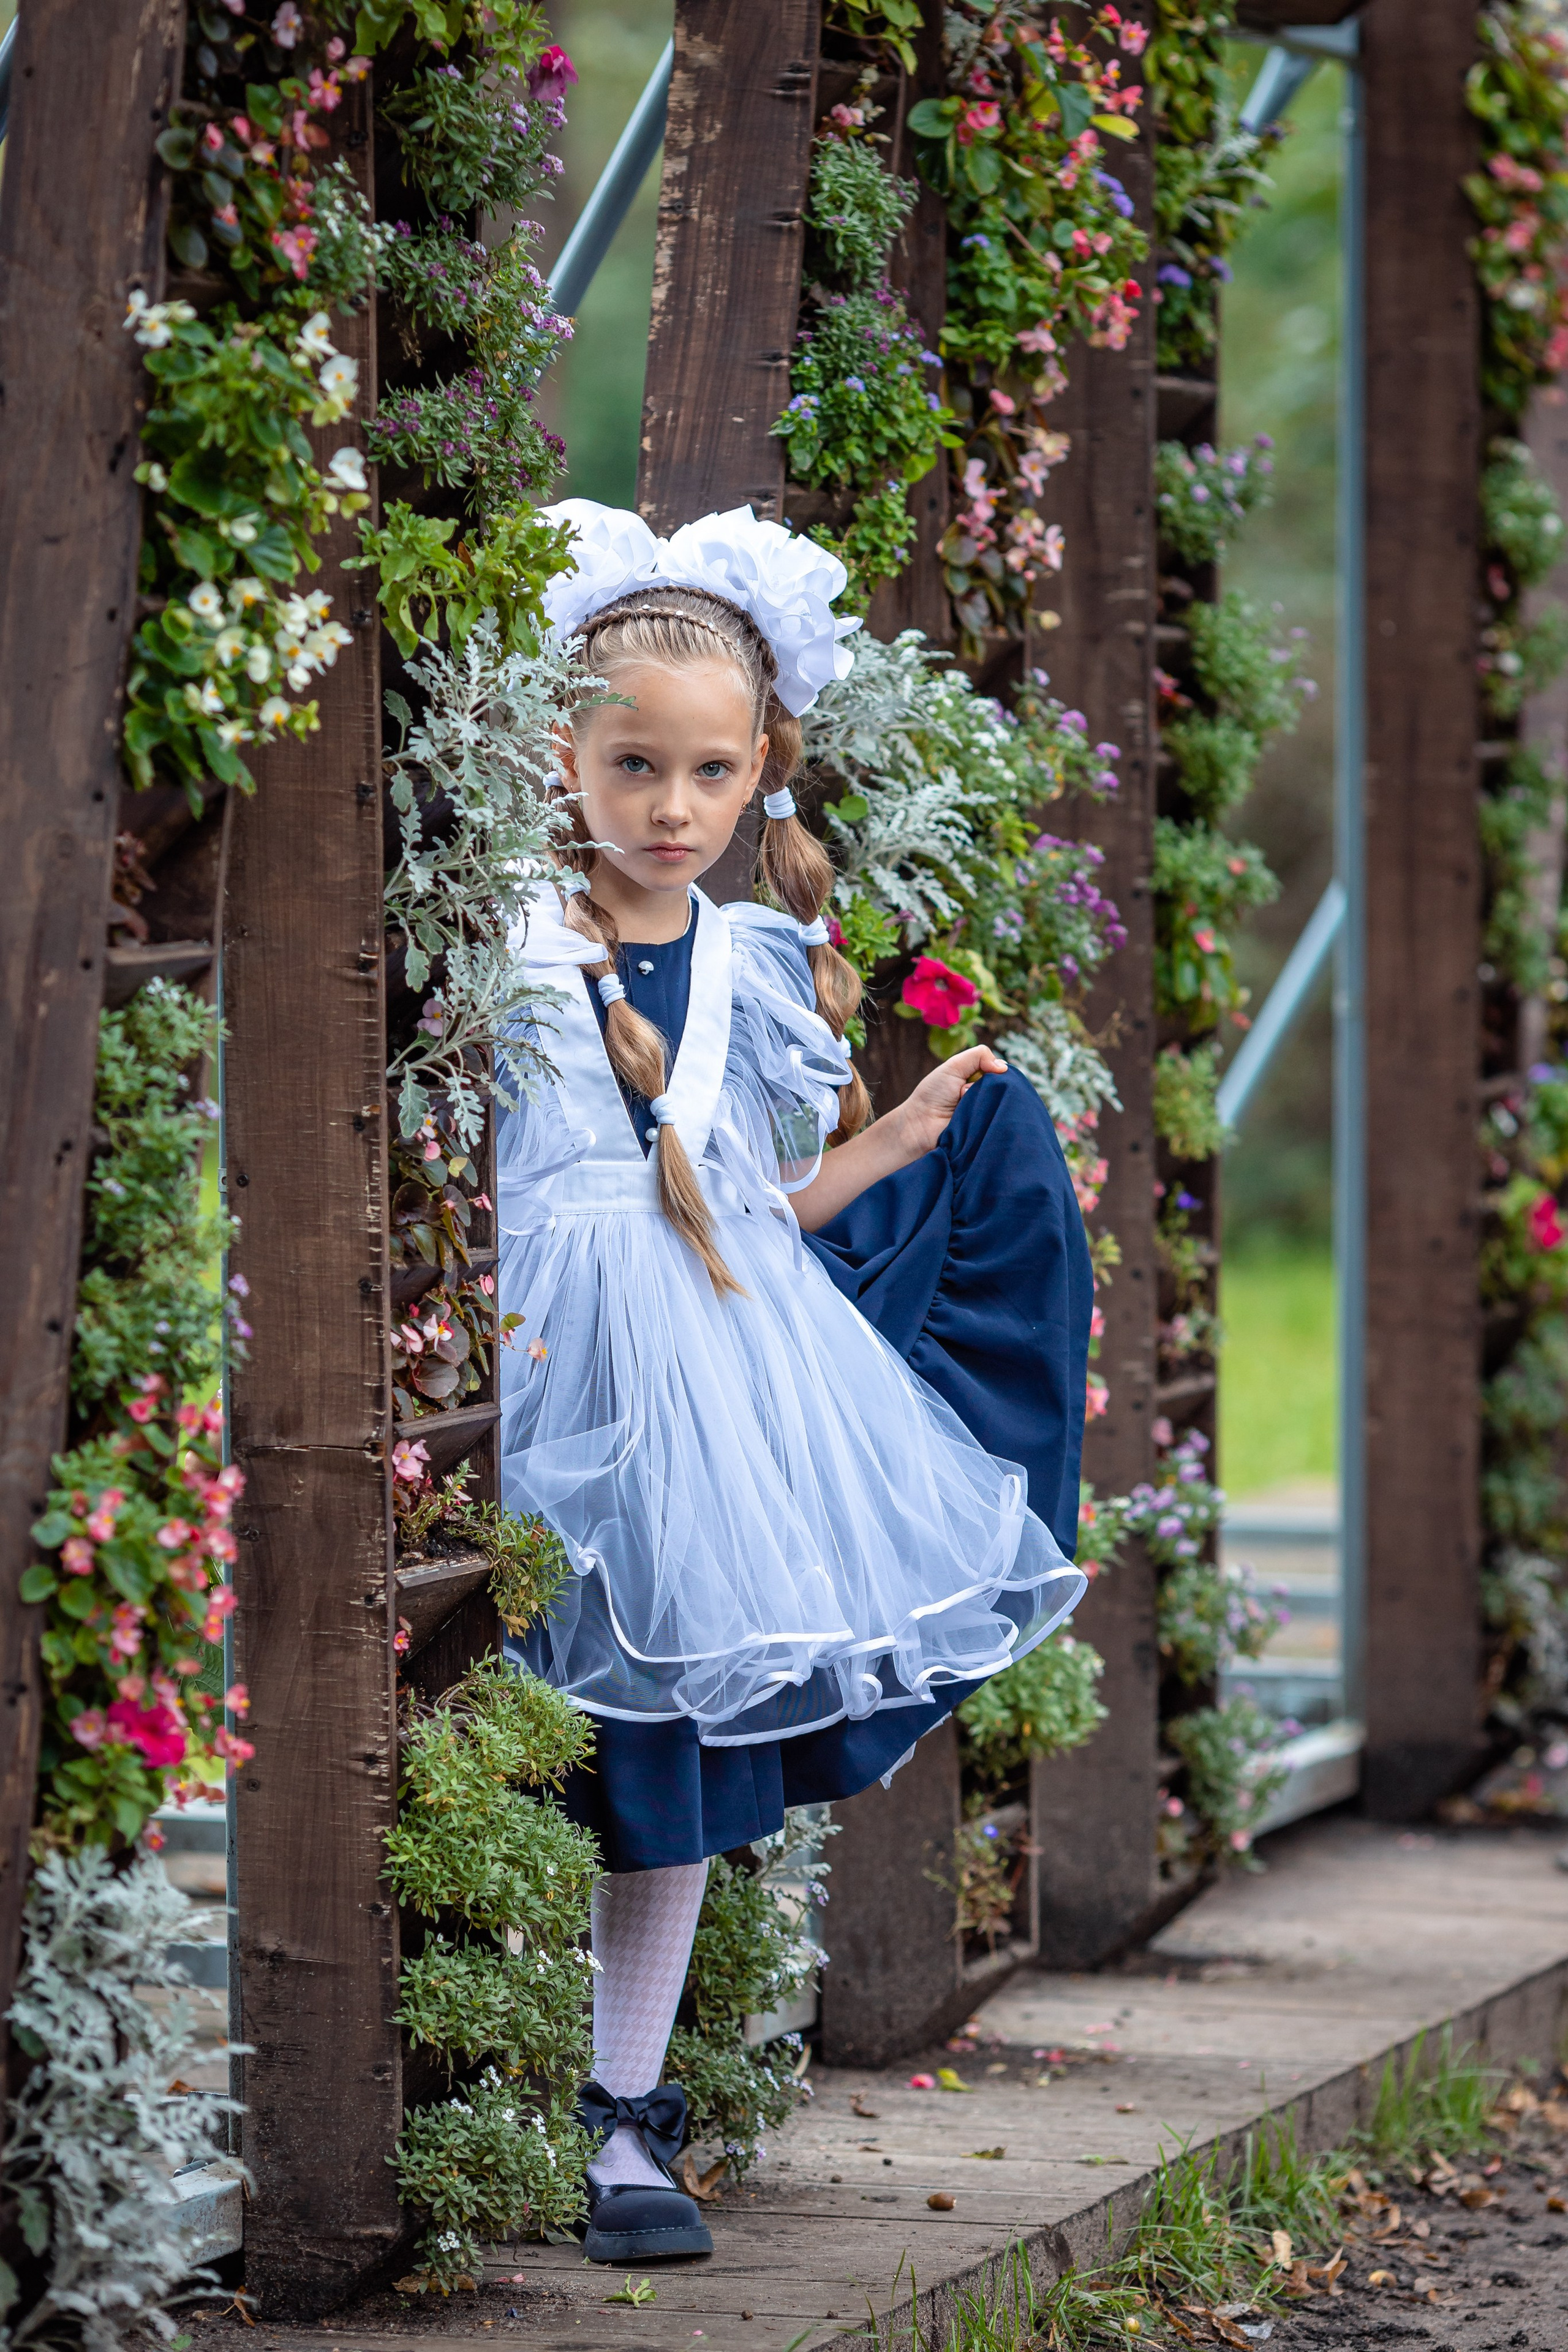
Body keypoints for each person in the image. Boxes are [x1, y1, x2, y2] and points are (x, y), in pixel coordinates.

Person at [496, 500, 1093, 2264]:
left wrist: (905, 1129)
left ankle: (623, 2117)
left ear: (764, 774)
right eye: (633, 766)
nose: (671, 810)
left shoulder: (757, 966)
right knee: (502, 1730)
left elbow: (763, 1201)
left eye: (709, 774)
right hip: (541, 1384)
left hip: (717, 1402)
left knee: (660, 1744)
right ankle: (471, 2086)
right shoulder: (508, 946)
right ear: (567, 756)